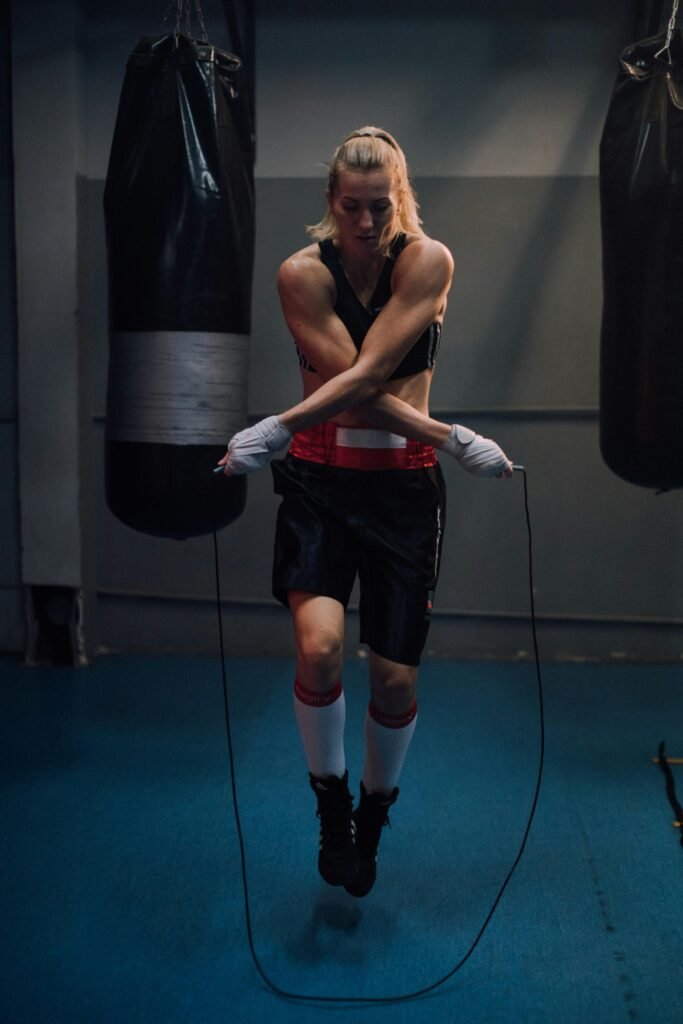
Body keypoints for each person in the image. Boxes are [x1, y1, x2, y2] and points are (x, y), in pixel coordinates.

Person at [218, 127, 512, 897]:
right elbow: (349, 386)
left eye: (380, 206)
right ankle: (332, 805)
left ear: (400, 197)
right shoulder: (300, 275)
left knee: (393, 682)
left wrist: (280, 421)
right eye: (351, 207)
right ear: (330, 204)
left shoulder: (427, 261)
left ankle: (376, 813)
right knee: (317, 652)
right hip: (319, 482)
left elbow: (370, 374)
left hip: (404, 490)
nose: (366, 221)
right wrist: (452, 435)